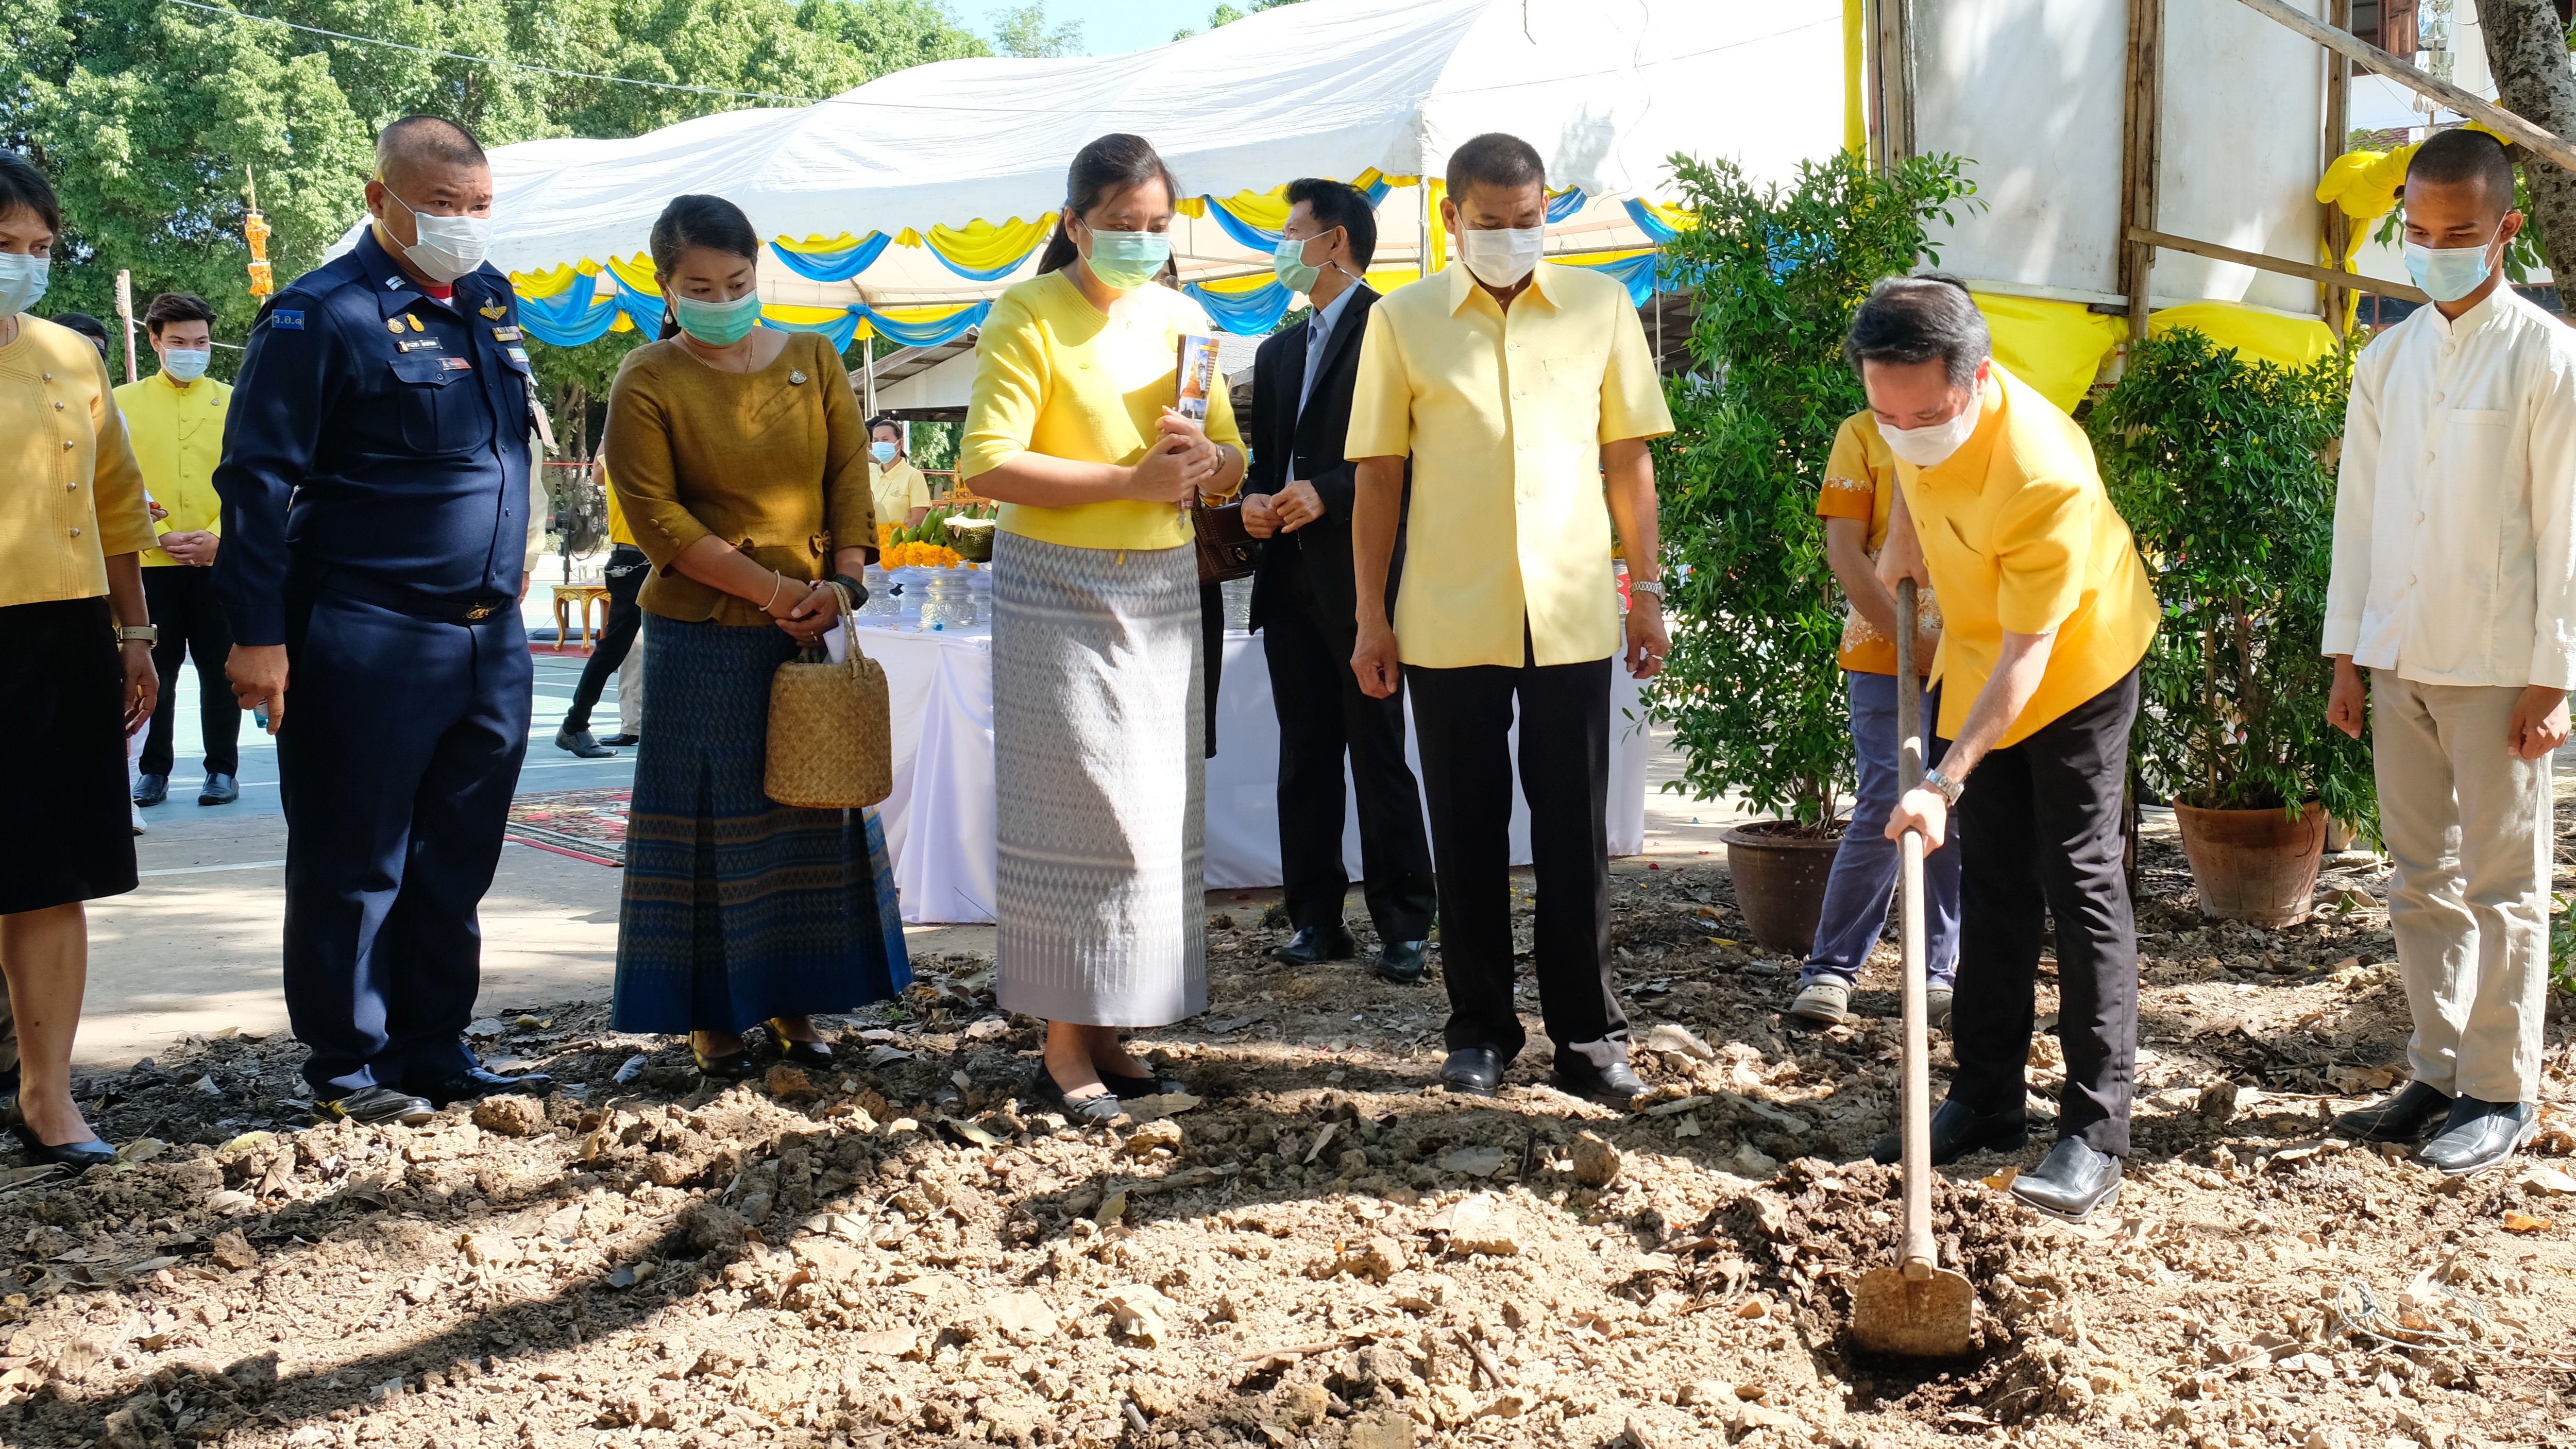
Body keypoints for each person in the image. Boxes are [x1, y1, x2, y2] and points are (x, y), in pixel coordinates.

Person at [212, 116, 551, 1126]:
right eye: (442, 207)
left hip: (489, 635)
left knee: (456, 856)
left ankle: (433, 1047)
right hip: (367, 629)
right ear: (380, 199)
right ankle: (349, 1068)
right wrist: (257, 633)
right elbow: (255, 481)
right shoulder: (320, 315)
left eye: (478, 207)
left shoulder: (490, 300)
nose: (463, 226)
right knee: (355, 862)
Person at [1345, 132, 1672, 1103]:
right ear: (1452, 218)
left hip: (1572, 611)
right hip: (1446, 617)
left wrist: (1645, 587)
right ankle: (1480, 1029)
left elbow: (1629, 461)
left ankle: (1590, 1035)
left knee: (1575, 832)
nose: (1513, 239)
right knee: (1468, 828)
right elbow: (1378, 478)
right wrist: (1371, 615)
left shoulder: (1602, 306)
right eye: (1492, 225)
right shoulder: (1401, 321)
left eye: (1529, 223)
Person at [1858, 275, 2158, 1224]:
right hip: (1983, 650)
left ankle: (2095, 1131)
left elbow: (2034, 659)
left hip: (2073, 662)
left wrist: (1945, 779)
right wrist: (1904, 530)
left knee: (2079, 877)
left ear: (1977, 378)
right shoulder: (1913, 408)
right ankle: (1986, 1097)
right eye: (1885, 414)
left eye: (1923, 414)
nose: (1905, 429)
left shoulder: (2042, 471)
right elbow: (1912, 461)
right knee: (1991, 882)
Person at [960, 133, 1247, 1122]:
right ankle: (1061, 1041)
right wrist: (1130, 480)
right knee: (1077, 808)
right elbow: (986, 463)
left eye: (1157, 227)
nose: (1140, 242)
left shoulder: (1185, 316)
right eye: (1121, 227)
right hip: (1057, 582)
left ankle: (1117, 1023)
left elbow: (1234, 460)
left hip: (1164, 584)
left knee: (1152, 816)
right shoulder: (1027, 313)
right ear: (1075, 224)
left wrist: (1203, 457)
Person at [602, 194, 908, 1079]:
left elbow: (849, 472)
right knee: (708, 821)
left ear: (758, 269)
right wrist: (775, 589)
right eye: (699, 285)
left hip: (812, 625)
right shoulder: (646, 376)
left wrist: (842, 581)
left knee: (803, 818)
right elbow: (658, 518)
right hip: (705, 635)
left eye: (737, 281)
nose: (721, 297)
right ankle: (710, 1016)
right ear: (666, 283)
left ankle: (795, 1002)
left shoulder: (813, 357)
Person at [2322, 129, 2576, 1177]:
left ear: (2504, 230)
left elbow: (2566, 522)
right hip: (2400, 658)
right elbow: (2361, 516)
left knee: (2502, 879)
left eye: (2457, 233)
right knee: (2416, 874)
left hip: (2499, 665)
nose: (2434, 250)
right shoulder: (2388, 357)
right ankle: (2435, 1064)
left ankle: (2500, 1086)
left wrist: (2554, 674)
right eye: (2418, 233)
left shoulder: (2548, 357)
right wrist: (2347, 654)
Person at [0, 151, 157, 1167]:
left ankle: (49, 1098)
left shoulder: (68, 354)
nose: (22, 265)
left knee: (48, 877)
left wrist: (134, 633)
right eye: (4, 246)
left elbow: (113, 504)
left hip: (59, 635)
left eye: (38, 248)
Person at [1240, 178, 1436, 985]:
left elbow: (1418, 455)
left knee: (1378, 749)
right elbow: (1265, 463)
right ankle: (1315, 916)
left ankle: (1404, 923)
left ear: (1337, 244)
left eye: (1293, 233)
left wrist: (1330, 489)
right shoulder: (1278, 350)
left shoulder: (1397, 328)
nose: (1282, 248)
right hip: (1287, 577)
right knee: (1306, 752)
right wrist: (1255, 501)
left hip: (1366, 580)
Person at [1788, 411, 1960, 1028]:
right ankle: (1831, 968)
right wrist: (1912, 638)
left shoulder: (1983, 430)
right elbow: (1845, 551)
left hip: (1974, 647)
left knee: (1950, 798)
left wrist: (1956, 648)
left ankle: (1942, 972)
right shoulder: (1861, 434)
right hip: (1884, 643)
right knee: (1887, 795)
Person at [120, 292, 241, 809]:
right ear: (154, 341)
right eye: (178, 342)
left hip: (219, 557)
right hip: (151, 560)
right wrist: (149, 531)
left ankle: (222, 769)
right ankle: (154, 769)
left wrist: (220, 535)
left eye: (201, 342)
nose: (191, 350)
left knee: (222, 667)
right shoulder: (121, 403)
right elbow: (113, 480)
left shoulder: (236, 401)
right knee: (156, 669)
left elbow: (252, 479)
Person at [556, 459, 647, 757]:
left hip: (646, 558)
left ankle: (576, 723)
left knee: (625, 649)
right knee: (614, 649)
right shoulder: (630, 444)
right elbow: (598, 473)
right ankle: (574, 724)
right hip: (637, 560)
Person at [868, 416, 933, 532]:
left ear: (900, 443)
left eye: (885, 440)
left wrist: (893, 539)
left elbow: (918, 519)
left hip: (899, 545)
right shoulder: (869, 474)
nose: (880, 445)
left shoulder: (914, 476)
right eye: (876, 441)